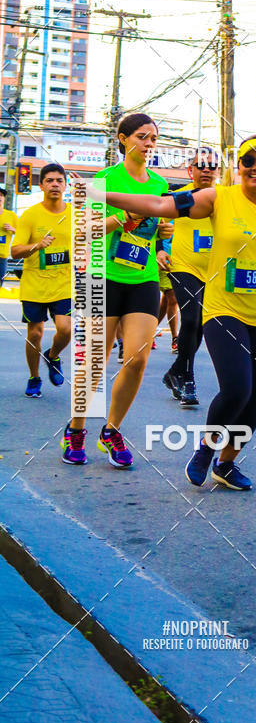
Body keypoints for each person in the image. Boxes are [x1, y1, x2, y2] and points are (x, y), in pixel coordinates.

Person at [102, 133, 256, 491]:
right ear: (238, 168)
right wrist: (102, 195)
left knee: (255, 398)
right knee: (237, 388)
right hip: (224, 309)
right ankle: (206, 448)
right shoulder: (218, 198)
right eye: (248, 161)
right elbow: (161, 207)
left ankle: (227, 464)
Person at [60, 112, 170, 467]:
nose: (148, 143)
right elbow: (79, 233)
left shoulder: (158, 185)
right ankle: (76, 429)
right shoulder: (103, 180)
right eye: (141, 136)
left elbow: (157, 230)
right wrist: (111, 221)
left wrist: (164, 237)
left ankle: (111, 430)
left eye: (153, 138)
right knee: (94, 359)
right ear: (123, 139)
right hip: (102, 278)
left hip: (143, 277)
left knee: (137, 359)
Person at [162, 147, 218, 407]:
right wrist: (160, 251)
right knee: (192, 317)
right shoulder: (177, 198)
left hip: (214, 271)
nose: (206, 169)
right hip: (183, 267)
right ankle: (186, 377)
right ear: (190, 171)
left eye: (211, 166)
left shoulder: (224, 199)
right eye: (200, 165)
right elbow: (157, 227)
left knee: (201, 326)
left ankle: (175, 370)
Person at [11, 163, 72, 398]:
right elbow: (15, 251)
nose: (55, 184)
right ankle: (34, 377)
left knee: (65, 329)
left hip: (62, 282)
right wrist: (37, 246)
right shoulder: (30, 215)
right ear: (41, 185)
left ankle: (53, 355)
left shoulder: (74, 214)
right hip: (35, 282)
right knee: (35, 333)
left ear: (65, 185)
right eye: (49, 180)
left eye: (59, 180)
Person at [0, 187, 18, 288]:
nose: (0, 197)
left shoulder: (11, 216)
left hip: (2, 256)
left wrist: (12, 229)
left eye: (1, 195)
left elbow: (21, 233)